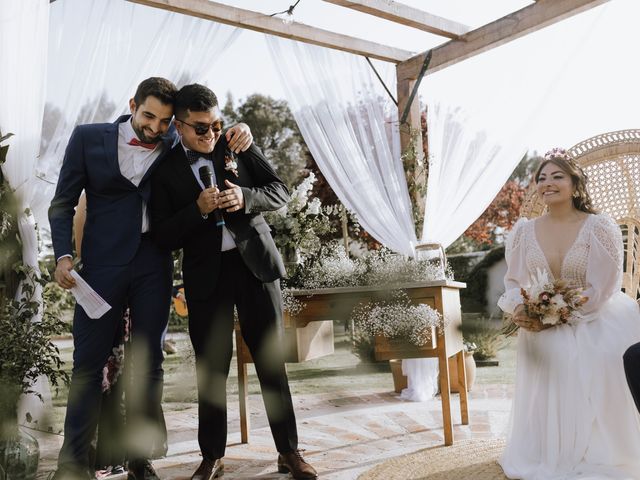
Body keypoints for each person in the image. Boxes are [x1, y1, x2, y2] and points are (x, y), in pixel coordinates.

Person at [48, 77, 252, 480]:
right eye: (148, 116)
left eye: (163, 121)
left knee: (149, 362)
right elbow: (63, 203)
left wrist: (242, 130)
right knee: (88, 366)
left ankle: (140, 460)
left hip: (153, 263)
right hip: (101, 267)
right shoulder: (88, 138)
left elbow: (210, 135)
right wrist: (63, 255)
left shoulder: (176, 141)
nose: (155, 128)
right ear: (132, 105)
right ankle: (71, 465)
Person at [149, 84, 318, 480]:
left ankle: (289, 452)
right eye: (201, 128)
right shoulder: (166, 170)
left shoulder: (236, 144)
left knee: (271, 363)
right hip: (207, 277)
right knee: (211, 369)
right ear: (180, 126)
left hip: (255, 268)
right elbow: (161, 236)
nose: (210, 133)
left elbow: (279, 191)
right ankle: (212, 457)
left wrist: (245, 197)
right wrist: (196, 210)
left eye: (215, 124)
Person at [497, 147, 640, 479]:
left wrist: (562, 315)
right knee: (549, 348)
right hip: (541, 319)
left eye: (557, 176)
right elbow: (514, 280)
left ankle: (601, 446)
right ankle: (552, 448)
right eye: (541, 178)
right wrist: (522, 309)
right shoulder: (523, 232)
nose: (547, 183)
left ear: (575, 186)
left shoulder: (599, 227)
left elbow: (605, 284)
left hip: (597, 313)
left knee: (597, 350)